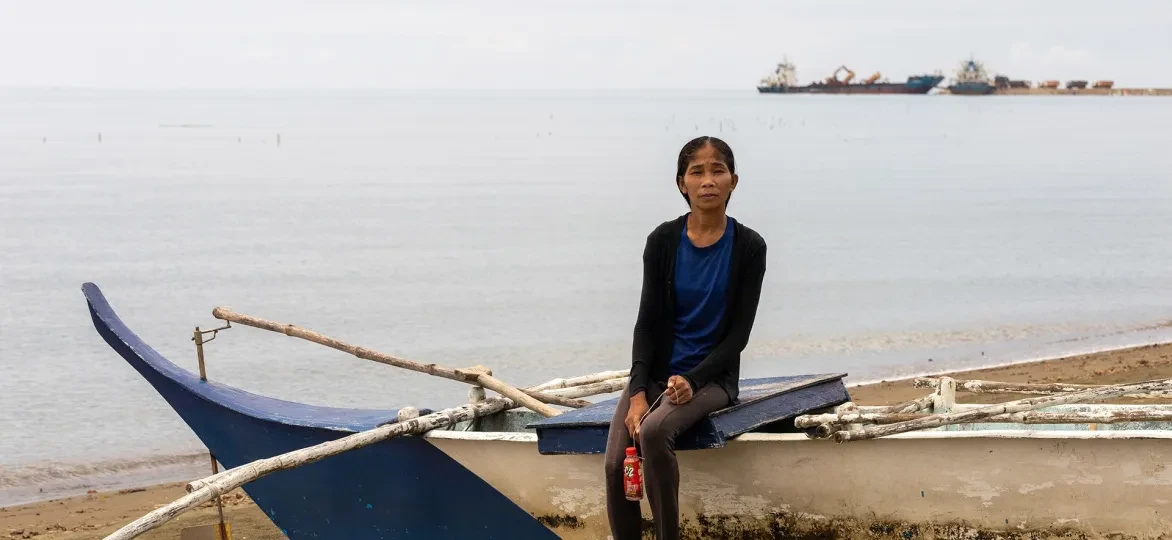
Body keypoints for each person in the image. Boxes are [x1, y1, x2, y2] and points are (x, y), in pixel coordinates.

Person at [603, 136, 767, 539]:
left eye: (717, 170)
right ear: (682, 183)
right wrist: (638, 392)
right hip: (657, 373)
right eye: (697, 171)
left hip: (712, 379)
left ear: (734, 181)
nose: (707, 180)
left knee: (657, 431)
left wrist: (693, 381)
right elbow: (645, 324)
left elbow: (738, 337)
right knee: (613, 463)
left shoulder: (749, 246)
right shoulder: (662, 242)